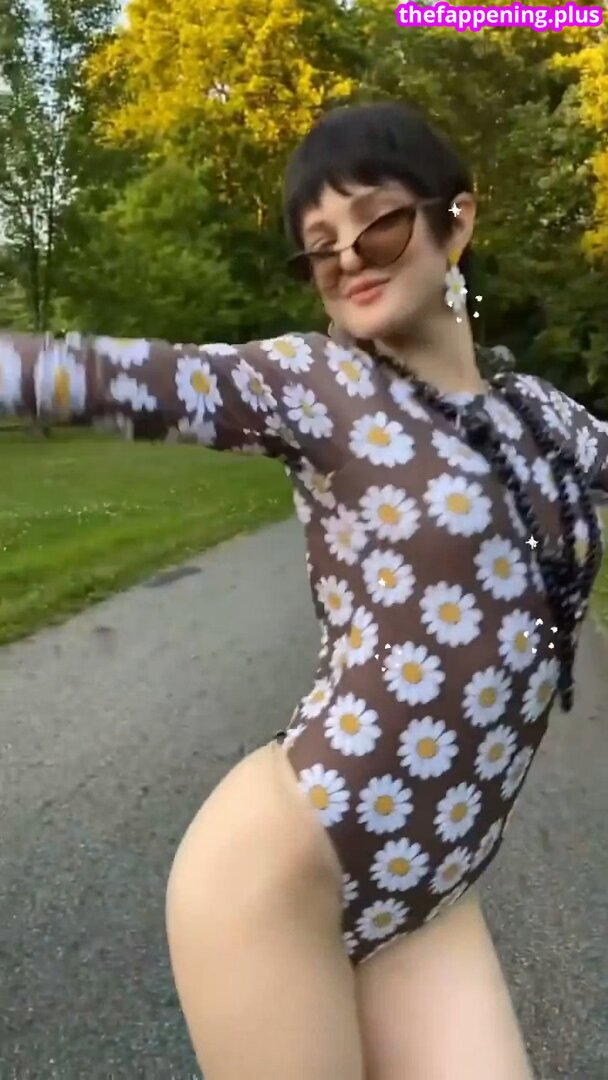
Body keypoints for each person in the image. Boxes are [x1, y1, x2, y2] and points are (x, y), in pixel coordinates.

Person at [4, 101, 606, 1080]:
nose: (349, 258)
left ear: (456, 220)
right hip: (281, 873)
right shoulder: (319, 384)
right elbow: (125, 376)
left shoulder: (543, 418)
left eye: (377, 224)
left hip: (435, 887)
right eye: (319, 249)